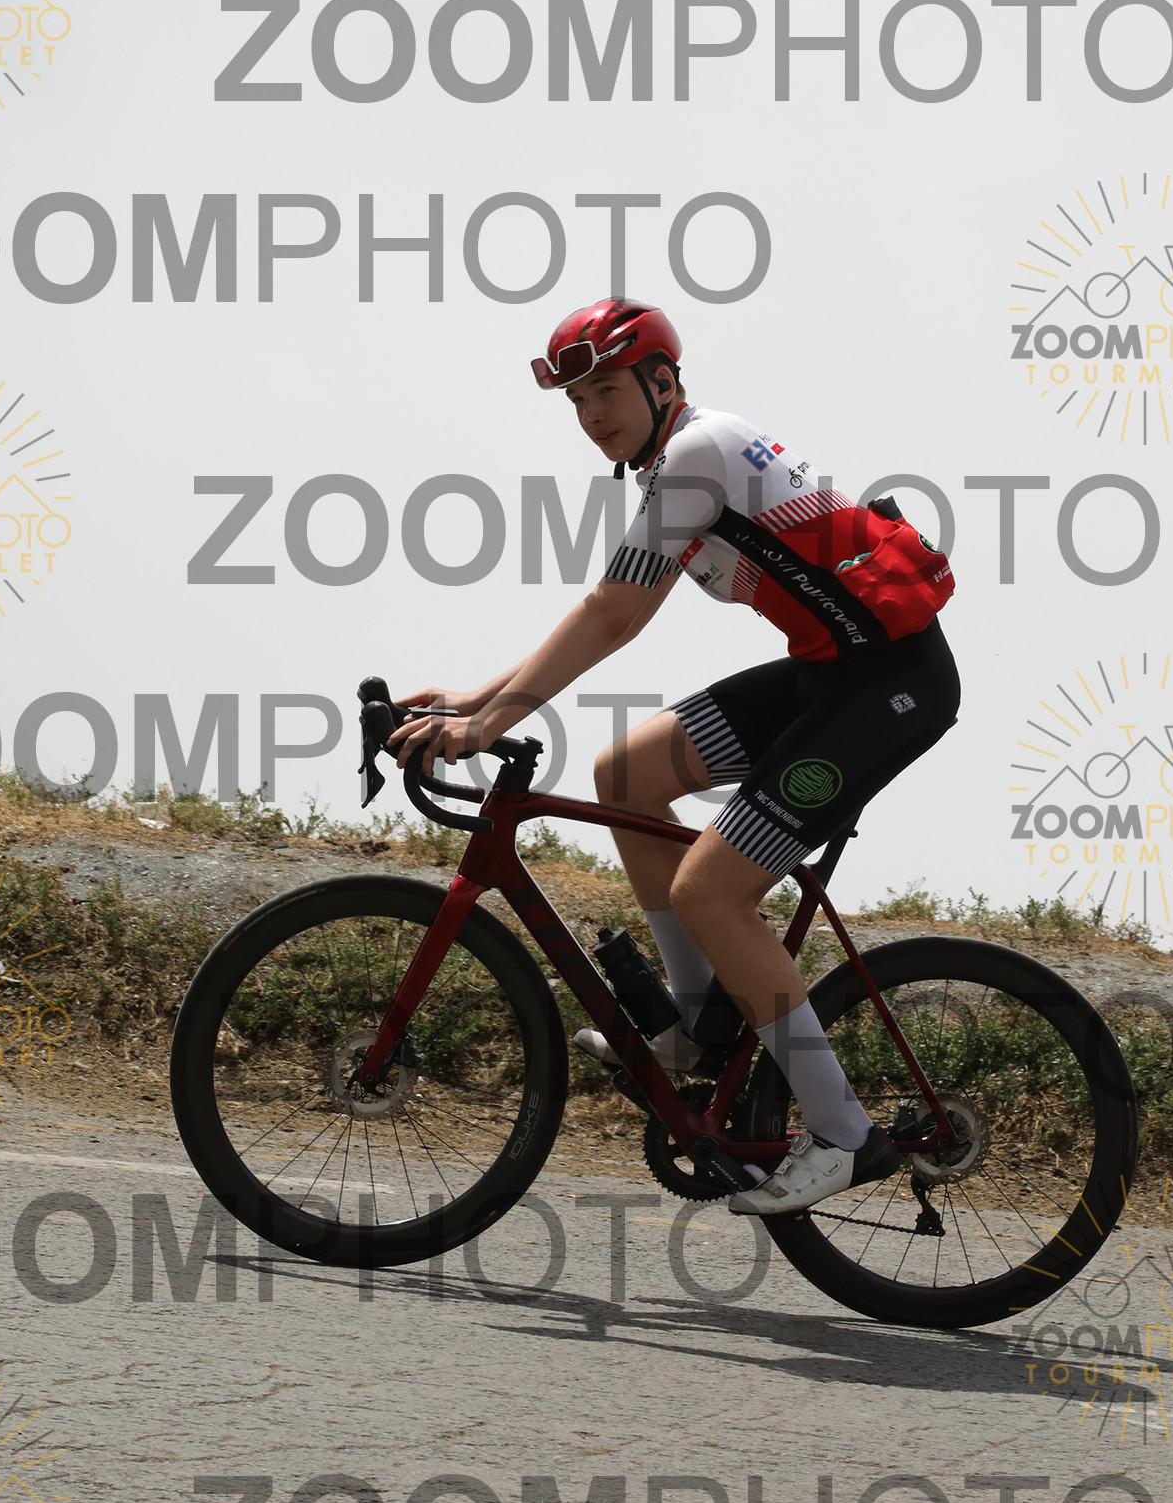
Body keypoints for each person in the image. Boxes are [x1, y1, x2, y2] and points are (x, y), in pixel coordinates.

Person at [390, 299, 960, 1215]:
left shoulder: (697, 455)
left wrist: (490, 727)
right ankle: (699, 1026)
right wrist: (474, 702)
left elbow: (611, 616)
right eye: (577, 401)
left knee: (710, 891)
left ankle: (844, 1134)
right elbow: (610, 606)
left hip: (889, 687)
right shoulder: (677, 465)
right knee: (627, 775)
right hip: (829, 674)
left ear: (662, 382)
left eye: (607, 391)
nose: (592, 416)